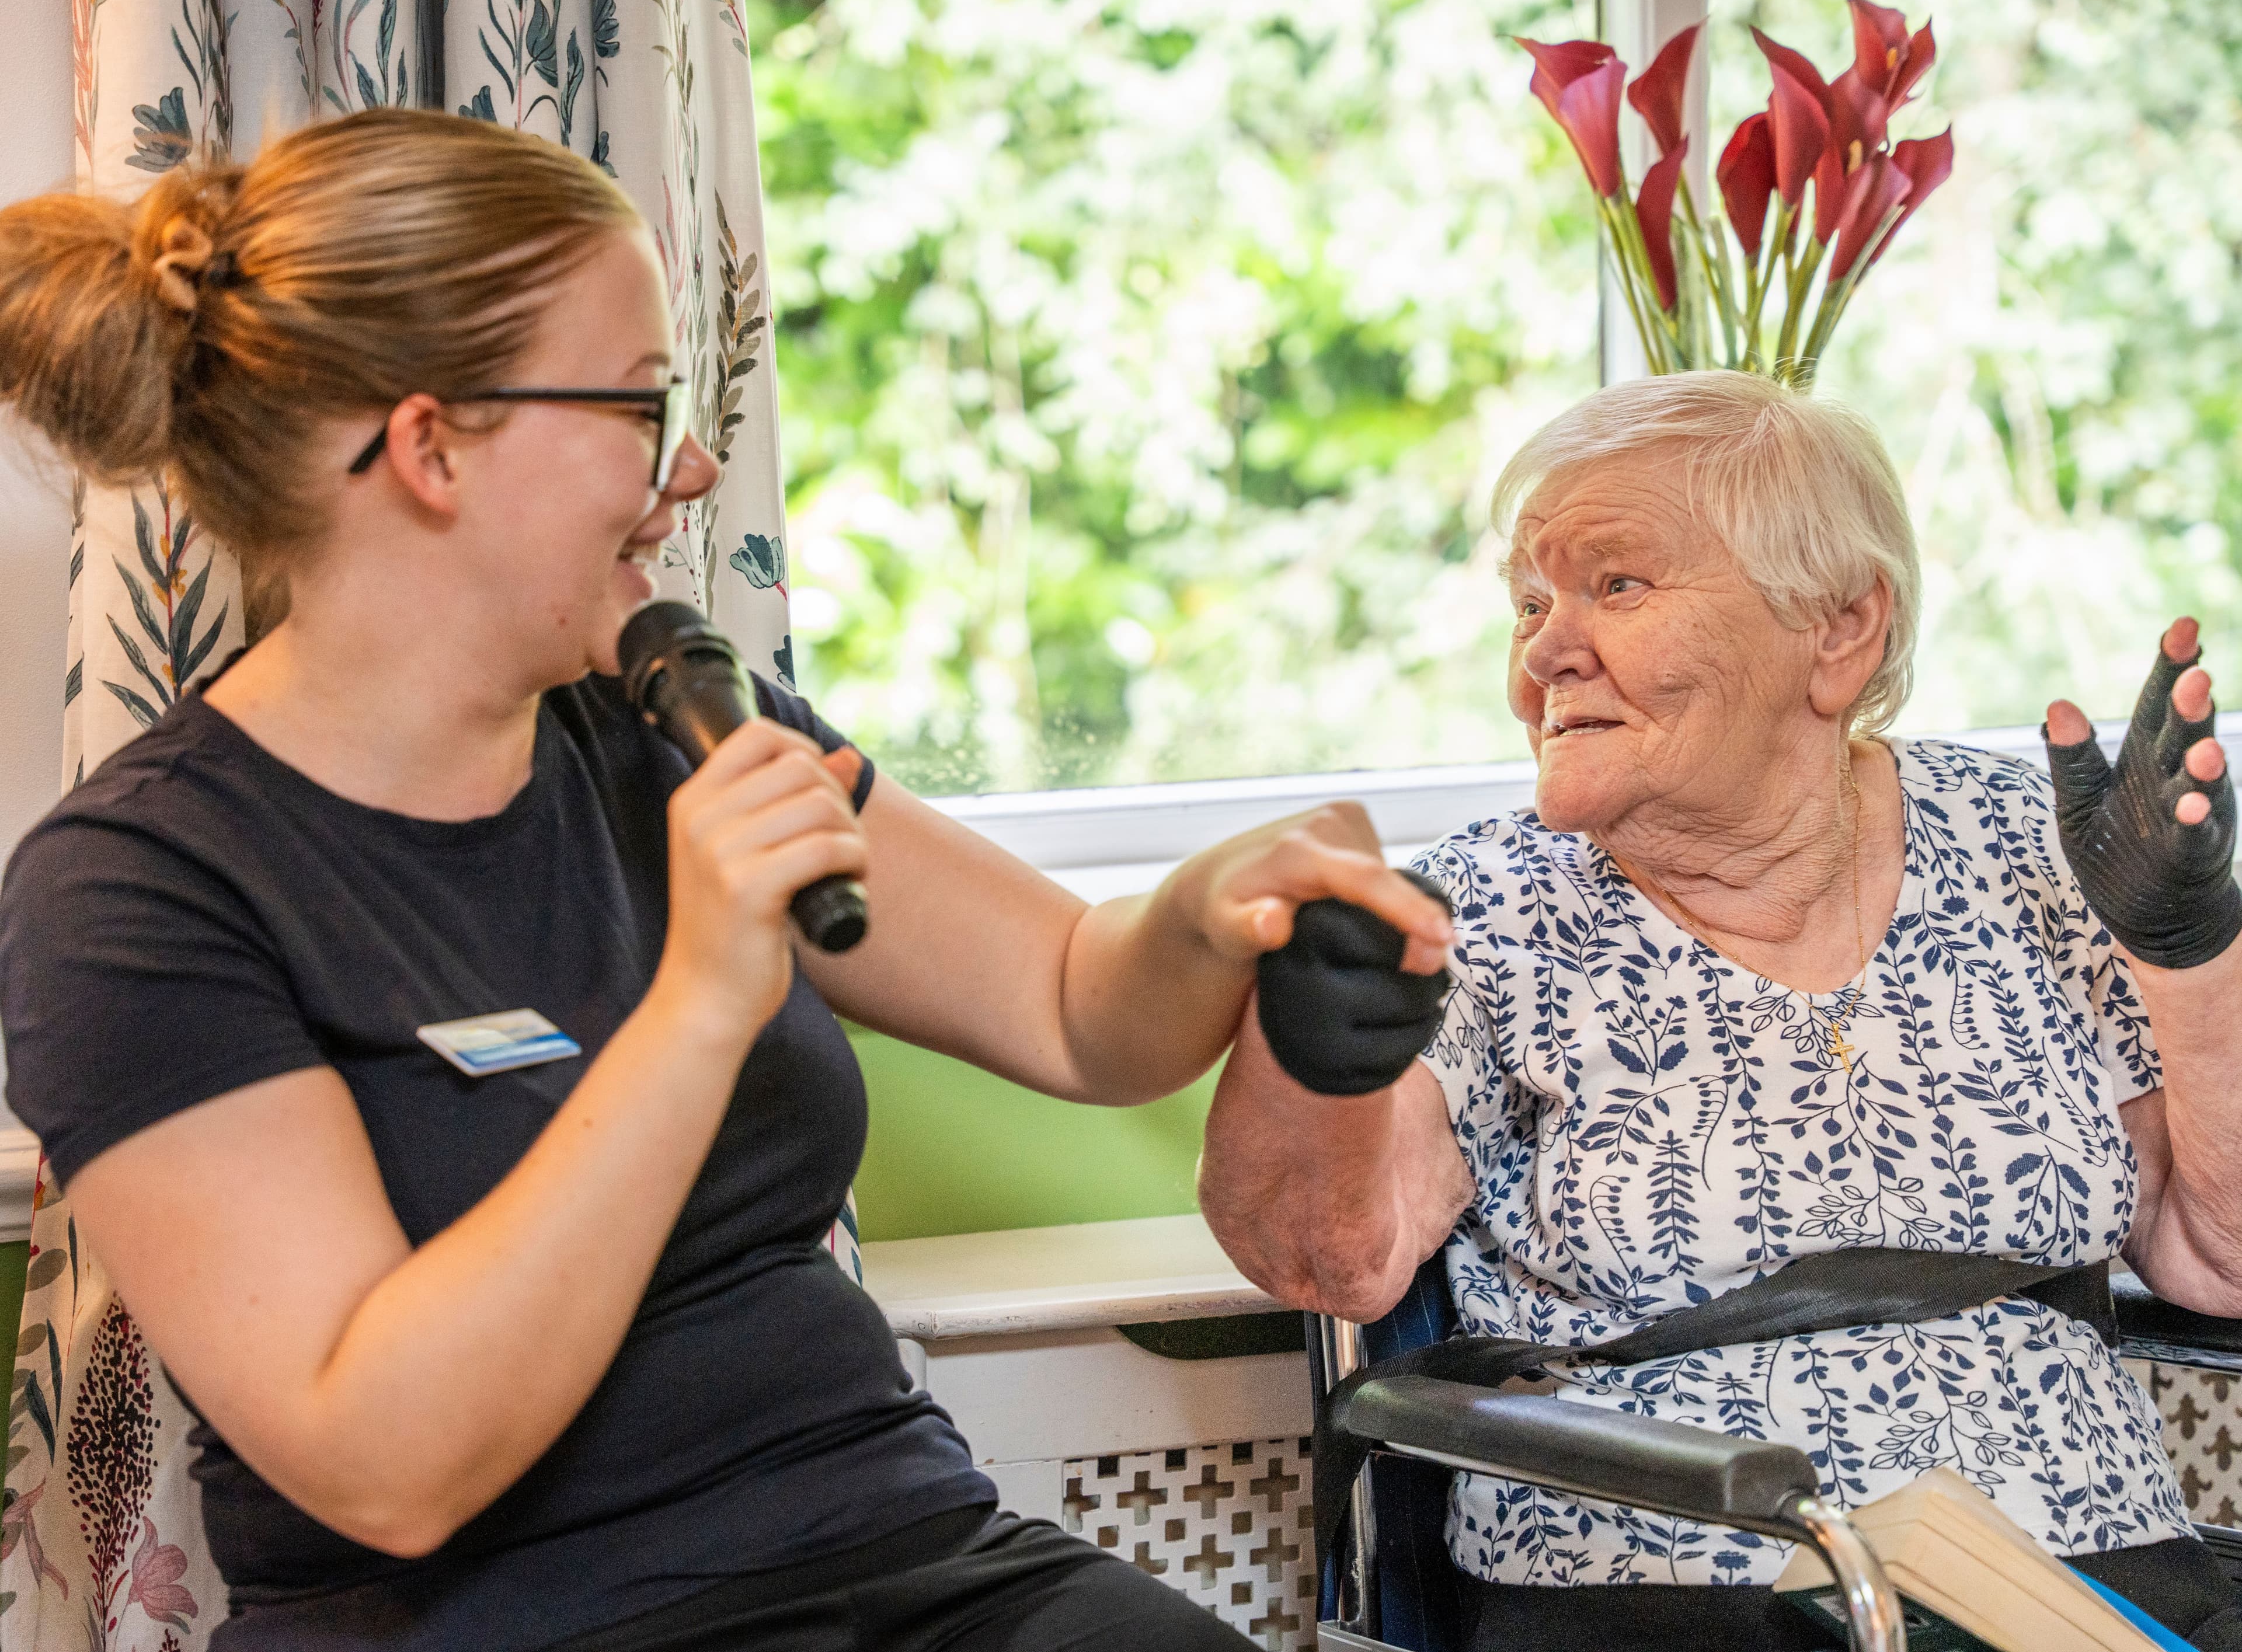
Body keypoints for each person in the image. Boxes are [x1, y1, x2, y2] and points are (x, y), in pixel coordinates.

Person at [0, 109, 1454, 1651]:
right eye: (639, 403)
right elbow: (386, 1466)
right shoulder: (141, 892)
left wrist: (1216, 911)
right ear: (430, 447)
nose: (691, 464)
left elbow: (1072, 1000)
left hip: (903, 1555)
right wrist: (696, 1001)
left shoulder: (675, 727)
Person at [1199, 369, 2242, 1650]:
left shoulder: (2031, 840)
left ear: (1840, 630)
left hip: (2086, 1579)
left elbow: (2217, 1259)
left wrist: (2196, 957)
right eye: (1530, 603)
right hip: (1671, 1583)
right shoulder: (1476, 908)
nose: (1542, 652)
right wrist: (1303, 1045)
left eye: (1615, 586)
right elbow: (1331, 1257)